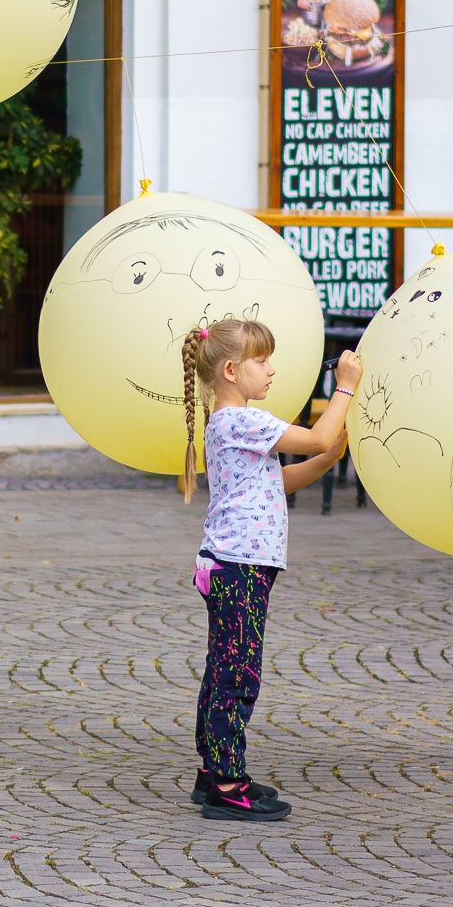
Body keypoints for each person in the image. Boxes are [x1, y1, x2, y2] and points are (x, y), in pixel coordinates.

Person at [179, 319, 356, 822]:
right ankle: (226, 785)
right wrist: (343, 384)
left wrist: (328, 457)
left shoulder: (232, 424)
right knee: (238, 672)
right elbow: (319, 434)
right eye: (262, 361)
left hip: (233, 563)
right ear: (232, 370)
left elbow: (278, 481)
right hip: (240, 566)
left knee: (222, 669)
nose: (272, 369)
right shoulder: (241, 421)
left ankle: (214, 769)